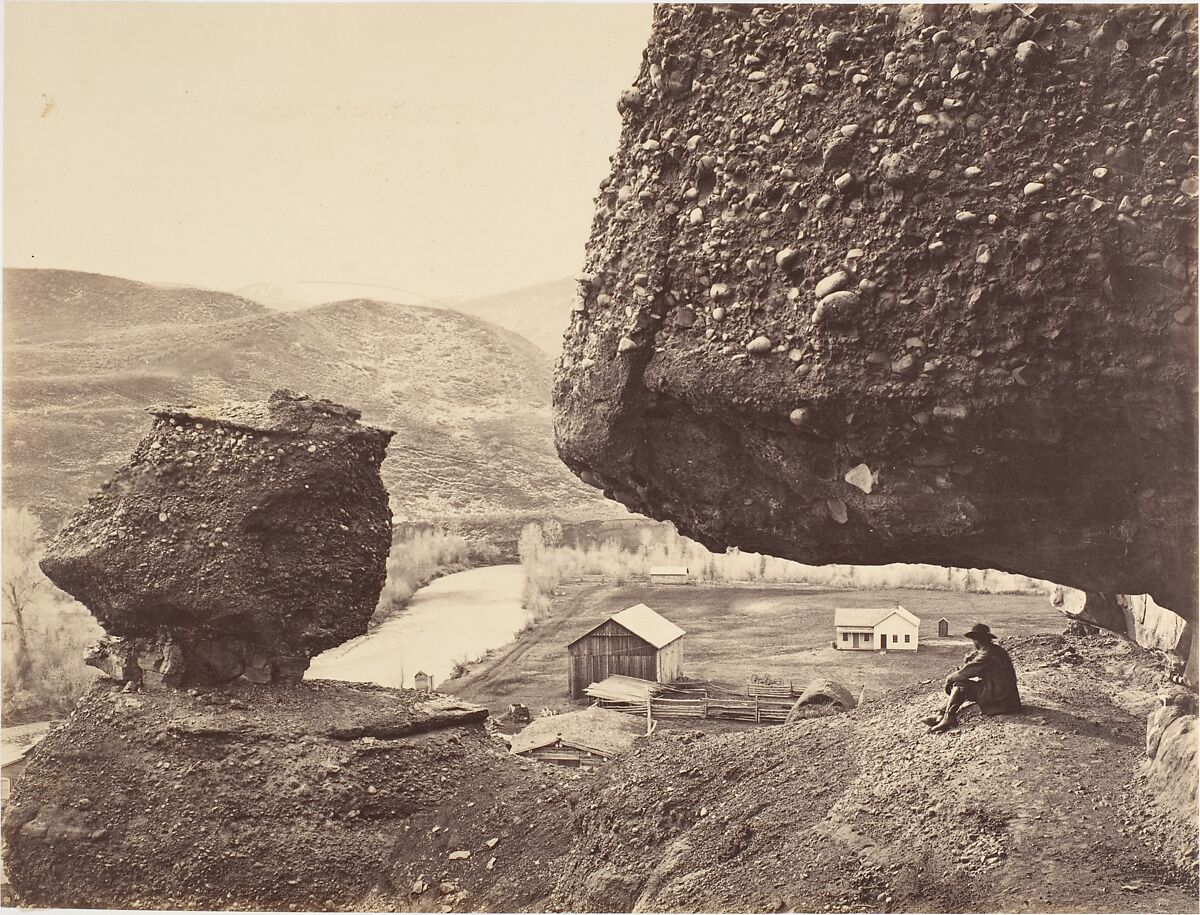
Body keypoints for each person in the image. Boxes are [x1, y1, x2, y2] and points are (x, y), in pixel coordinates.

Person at [924, 622, 1021, 733]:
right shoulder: (994, 650)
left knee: (961, 685)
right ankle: (940, 715)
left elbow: (964, 673)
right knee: (964, 684)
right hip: (1006, 696)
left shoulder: (987, 654)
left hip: (1001, 698)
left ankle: (948, 717)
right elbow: (974, 669)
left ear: (977, 640)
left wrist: (948, 679)